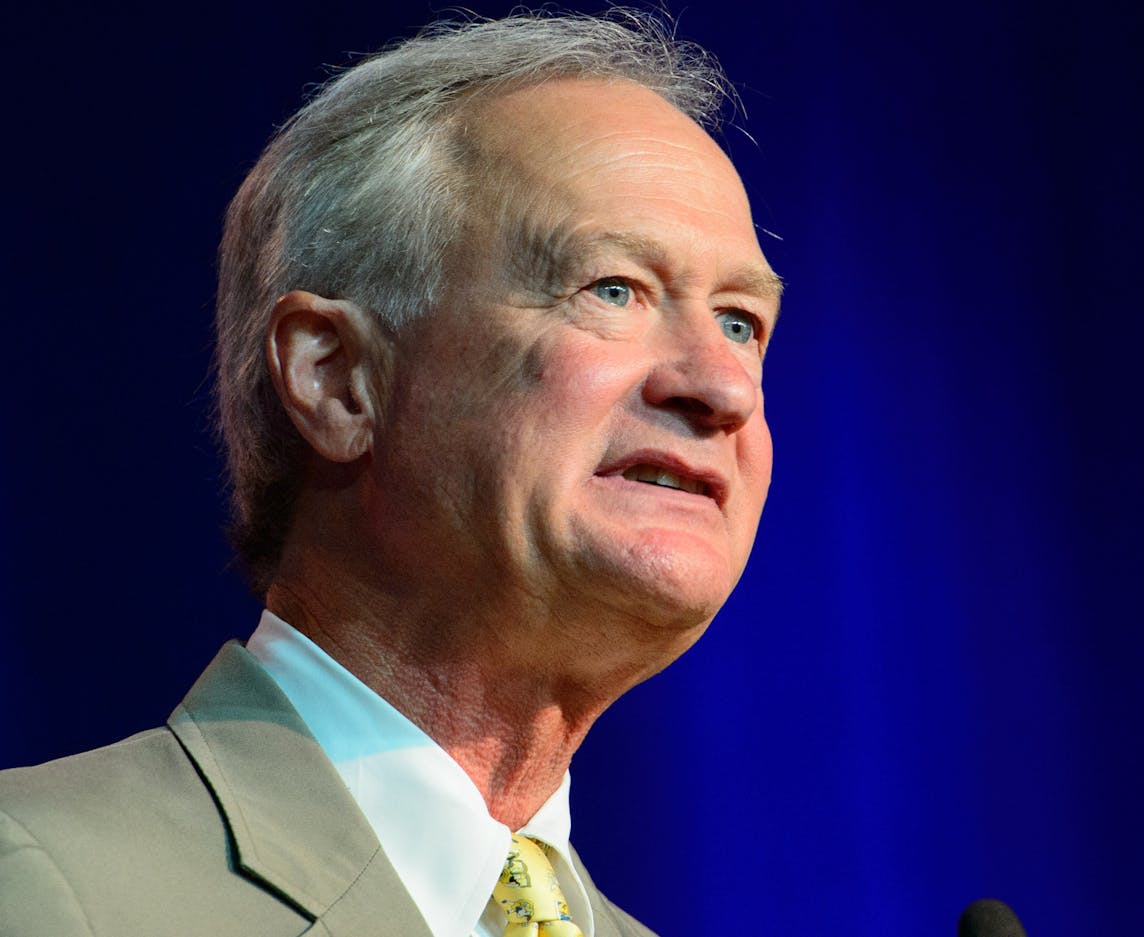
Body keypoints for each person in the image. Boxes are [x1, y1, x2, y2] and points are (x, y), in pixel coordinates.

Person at [0, 10, 781, 937]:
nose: (721, 385)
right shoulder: (45, 884)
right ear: (337, 380)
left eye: (740, 320)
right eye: (614, 290)